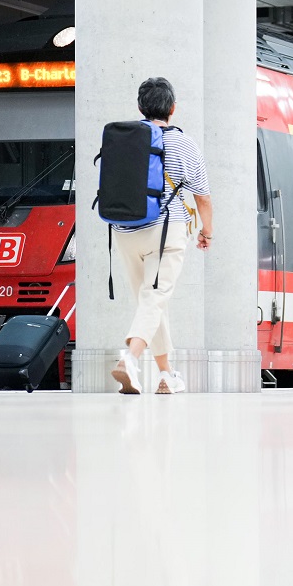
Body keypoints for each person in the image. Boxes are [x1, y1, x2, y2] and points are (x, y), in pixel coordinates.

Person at [110, 77, 213, 395]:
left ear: (140, 107)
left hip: (125, 231)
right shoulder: (184, 144)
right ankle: (130, 358)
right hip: (165, 230)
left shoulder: (124, 139)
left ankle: (167, 375)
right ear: (172, 108)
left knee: (151, 302)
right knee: (154, 299)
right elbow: (203, 197)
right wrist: (207, 231)